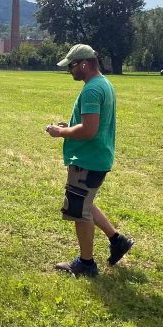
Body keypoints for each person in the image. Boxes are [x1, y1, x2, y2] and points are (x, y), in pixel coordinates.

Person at [45, 44, 133, 277]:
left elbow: (89, 130)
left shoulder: (92, 90)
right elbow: (89, 125)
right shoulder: (103, 84)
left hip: (88, 159)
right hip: (95, 156)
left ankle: (86, 264)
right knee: (85, 202)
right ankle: (117, 240)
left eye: (71, 66)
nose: (69, 71)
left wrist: (59, 132)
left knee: (79, 210)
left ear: (84, 64)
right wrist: (70, 127)